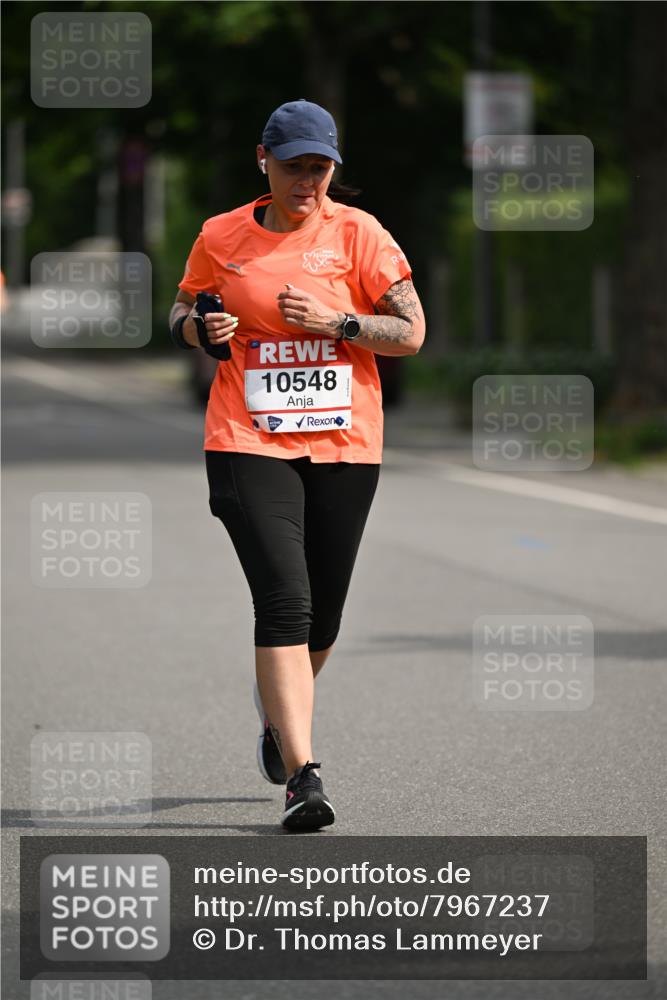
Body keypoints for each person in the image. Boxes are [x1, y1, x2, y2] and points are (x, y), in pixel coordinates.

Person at [169, 99, 425, 831]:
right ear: (264, 160)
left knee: (325, 616)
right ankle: (303, 778)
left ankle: (278, 716)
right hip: (247, 439)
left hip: (344, 444)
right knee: (285, 600)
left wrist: (339, 323)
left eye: (319, 168)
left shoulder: (359, 234)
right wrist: (201, 329)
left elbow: (411, 332)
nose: (306, 181)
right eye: (293, 166)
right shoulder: (221, 235)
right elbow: (180, 311)